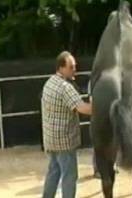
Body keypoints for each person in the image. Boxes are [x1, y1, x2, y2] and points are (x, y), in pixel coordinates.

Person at [41, 51, 92, 198]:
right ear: (61, 68)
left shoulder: (49, 83)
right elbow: (83, 108)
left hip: (51, 140)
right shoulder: (65, 87)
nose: (74, 70)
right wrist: (100, 105)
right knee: (69, 176)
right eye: (71, 67)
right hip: (65, 141)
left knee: (54, 172)